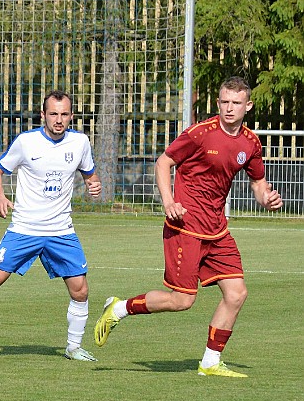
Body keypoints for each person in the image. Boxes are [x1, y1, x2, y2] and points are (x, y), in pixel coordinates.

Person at [93, 76, 284, 377]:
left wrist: (266, 198)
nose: (229, 108)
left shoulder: (250, 142)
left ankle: (210, 363)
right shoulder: (199, 134)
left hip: (217, 230)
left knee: (236, 294)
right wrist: (169, 202)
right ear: (218, 103)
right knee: (182, 300)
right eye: (224, 102)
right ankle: (119, 308)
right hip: (185, 227)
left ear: (248, 105)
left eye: (236, 103)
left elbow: (258, 183)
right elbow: (163, 162)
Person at [0, 90, 102, 361]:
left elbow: (90, 175)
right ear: (43, 115)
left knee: (80, 289)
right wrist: (0, 196)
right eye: (53, 114)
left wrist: (93, 185)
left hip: (61, 231)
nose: (58, 120)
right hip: (24, 228)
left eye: (64, 114)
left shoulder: (80, 142)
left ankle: (73, 347)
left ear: (71, 116)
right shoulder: (26, 142)